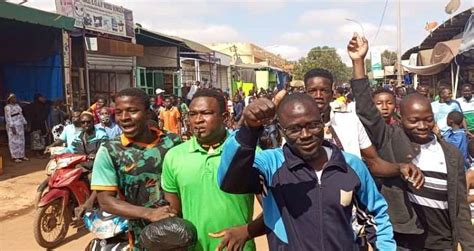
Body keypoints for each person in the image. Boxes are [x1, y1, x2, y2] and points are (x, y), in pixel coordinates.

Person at [217, 92, 395, 250]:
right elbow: (230, 181)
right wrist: (249, 130)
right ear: (282, 130)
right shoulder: (271, 165)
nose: (305, 135)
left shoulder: (351, 165)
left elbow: (375, 215)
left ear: (323, 121)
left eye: (313, 125)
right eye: (294, 129)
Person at [348, 33, 474, 250]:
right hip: (405, 237)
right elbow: (367, 111)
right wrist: (358, 61)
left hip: (442, 239)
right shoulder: (390, 139)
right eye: (414, 121)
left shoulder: (451, 155)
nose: (422, 126)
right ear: (401, 118)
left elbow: (460, 206)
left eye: (427, 120)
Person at [162, 89, 257, 251]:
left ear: (225, 118)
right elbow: (174, 212)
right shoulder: (174, 156)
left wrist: (246, 231)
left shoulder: (248, 154)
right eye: (192, 114)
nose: (198, 120)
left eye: (206, 113)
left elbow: (274, 207)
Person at [91, 88, 181, 250]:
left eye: (132, 111)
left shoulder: (174, 144)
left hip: (181, 235)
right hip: (142, 239)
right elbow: (105, 201)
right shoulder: (110, 151)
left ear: (148, 113)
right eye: (119, 112)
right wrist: (149, 213)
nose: (124, 118)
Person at [25, 93, 50, 158]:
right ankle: (37, 154)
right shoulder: (32, 106)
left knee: (42, 139)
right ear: (38, 98)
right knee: (36, 139)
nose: (44, 99)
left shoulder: (44, 105)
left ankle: (41, 153)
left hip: (42, 125)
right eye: (42, 97)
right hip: (35, 126)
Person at [4, 93, 28, 163]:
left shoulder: (17, 106)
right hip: (13, 125)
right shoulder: (7, 107)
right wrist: (12, 127)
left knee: (21, 140)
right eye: (13, 98)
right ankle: (14, 156)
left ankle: (21, 155)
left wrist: (25, 123)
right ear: (9, 99)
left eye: (15, 97)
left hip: (20, 125)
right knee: (13, 141)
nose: (15, 99)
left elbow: (21, 114)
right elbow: (8, 118)